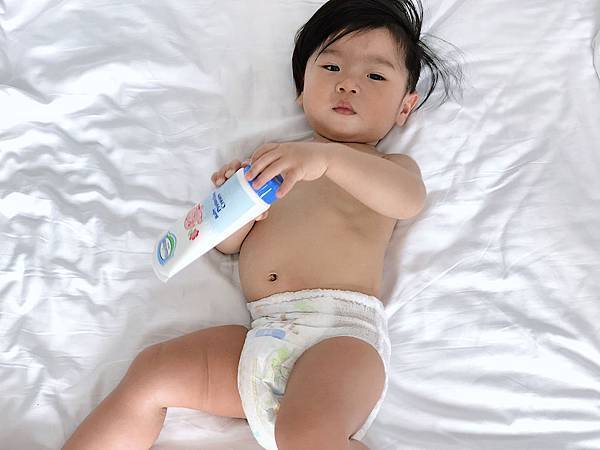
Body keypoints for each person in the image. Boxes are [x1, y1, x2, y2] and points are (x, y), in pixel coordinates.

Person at [63, 0, 461, 449]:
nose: (348, 83)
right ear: (302, 91)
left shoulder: (387, 166)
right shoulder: (271, 161)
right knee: (152, 372)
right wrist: (237, 207)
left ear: (405, 107)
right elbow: (229, 248)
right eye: (331, 67)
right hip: (262, 334)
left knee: (306, 434)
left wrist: (326, 159)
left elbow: (407, 200)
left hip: (339, 339)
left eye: (375, 76)